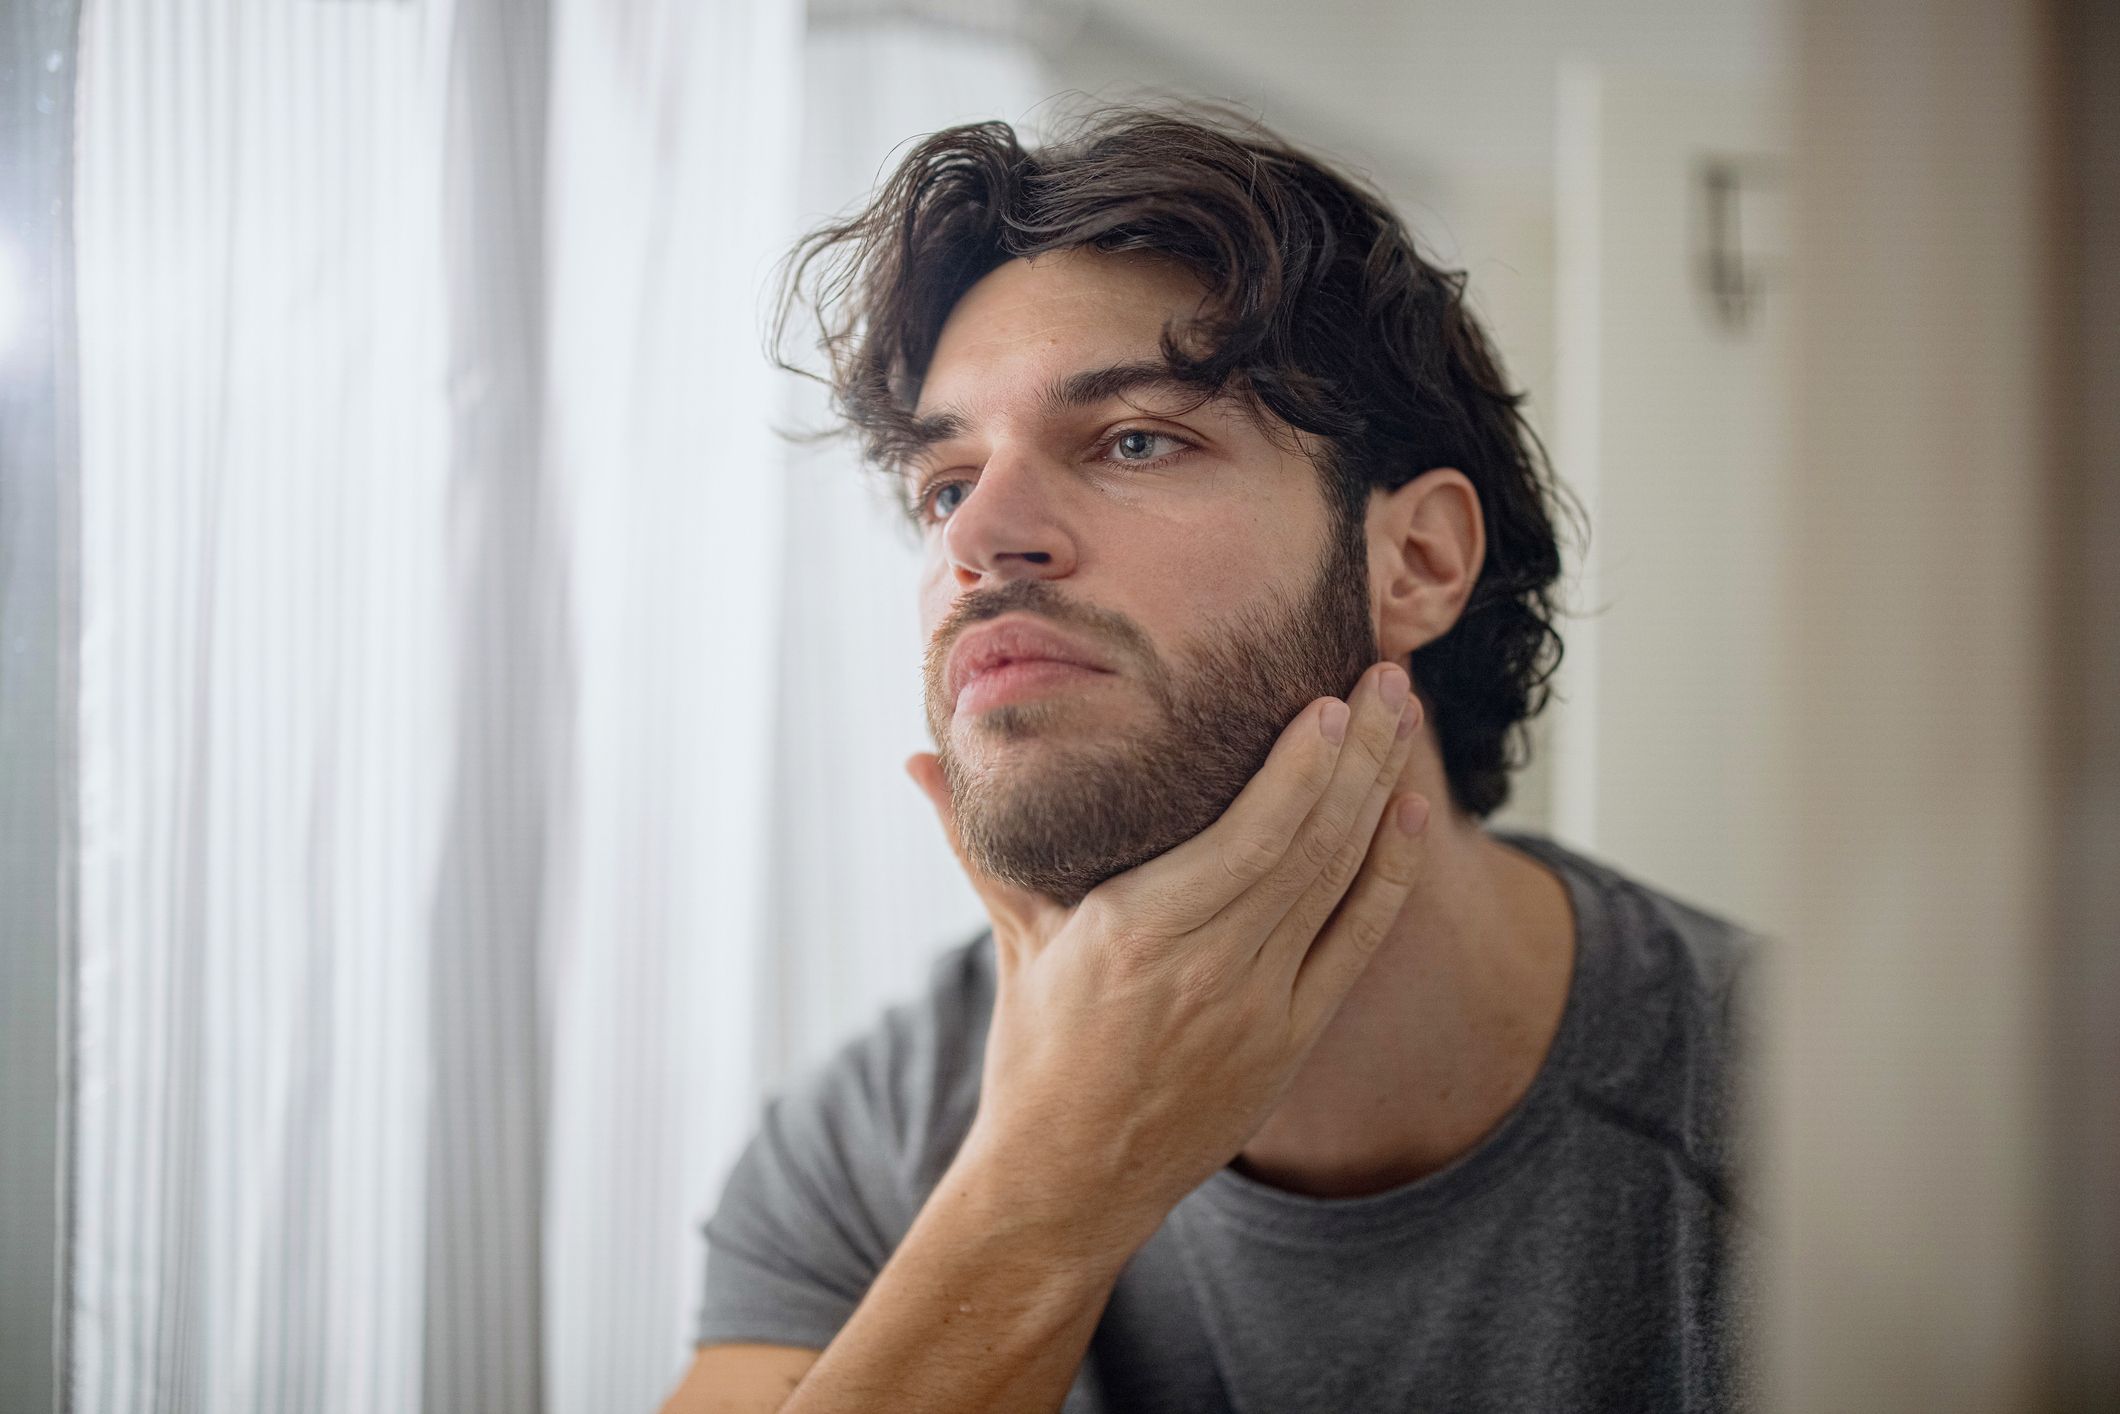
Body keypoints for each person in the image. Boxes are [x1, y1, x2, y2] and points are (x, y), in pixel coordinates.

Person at [661, 107, 1758, 1414]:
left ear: (1415, 560)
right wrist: (1051, 1182)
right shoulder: (871, 1136)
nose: (982, 538)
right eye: (946, 483)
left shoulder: (1822, 1116)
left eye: (1134, 439)